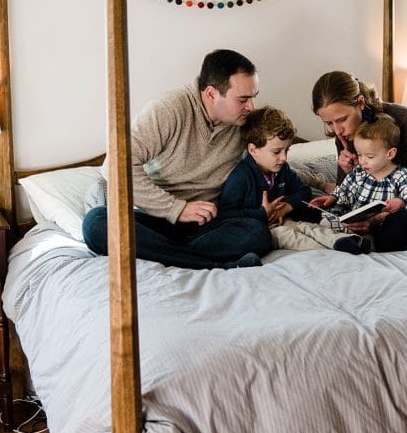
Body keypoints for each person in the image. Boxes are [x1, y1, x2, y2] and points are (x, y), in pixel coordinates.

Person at [81, 49, 272, 269]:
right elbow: (115, 165)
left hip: (207, 223)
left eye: (253, 97)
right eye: (243, 99)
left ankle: (173, 254)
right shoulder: (169, 110)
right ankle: (216, 264)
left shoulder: (244, 122)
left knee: (259, 234)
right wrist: (177, 209)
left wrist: (313, 182)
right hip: (156, 219)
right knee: (96, 223)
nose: (251, 107)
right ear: (211, 93)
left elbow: (273, 156)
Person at [311, 71, 407, 250]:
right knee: (313, 213)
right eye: (329, 123)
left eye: (342, 119)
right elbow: (347, 196)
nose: (337, 130)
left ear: (360, 103)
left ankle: (369, 241)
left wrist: (378, 219)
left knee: (398, 226)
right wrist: (347, 172)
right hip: (378, 221)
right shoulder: (344, 136)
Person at [220, 106, 369, 254]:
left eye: (287, 150)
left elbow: (303, 191)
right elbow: (226, 214)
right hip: (261, 229)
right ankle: (330, 251)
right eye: (277, 152)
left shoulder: (282, 169)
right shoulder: (241, 176)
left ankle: (349, 240)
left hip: (285, 218)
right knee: (291, 237)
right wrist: (262, 213)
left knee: (308, 227)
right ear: (253, 150)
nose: (284, 157)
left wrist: (287, 207)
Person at [310, 115, 407, 244]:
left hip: (383, 226)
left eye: (370, 157)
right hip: (356, 223)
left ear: (390, 154)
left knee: (402, 226)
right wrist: (332, 198)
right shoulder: (358, 173)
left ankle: (363, 242)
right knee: (323, 217)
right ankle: (348, 239)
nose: (362, 161)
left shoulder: (401, 175)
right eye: (360, 155)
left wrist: (401, 202)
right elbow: (343, 191)